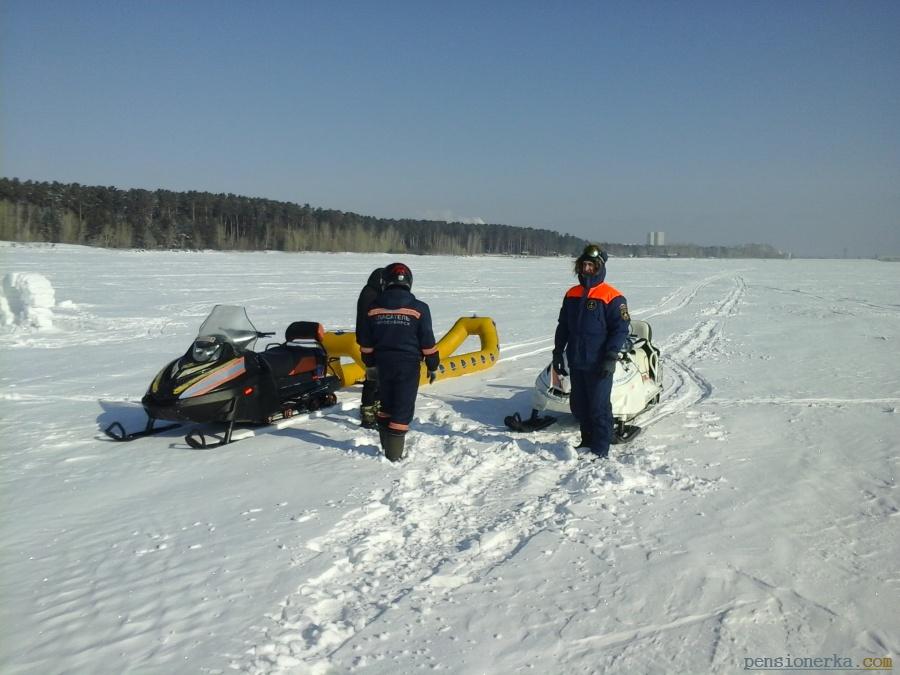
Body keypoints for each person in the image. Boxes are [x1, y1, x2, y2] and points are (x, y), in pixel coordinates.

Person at [552, 244, 630, 458]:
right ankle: (586, 441)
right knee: (579, 406)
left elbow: (620, 329)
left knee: (598, 406)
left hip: (599, 362)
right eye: (583, 265)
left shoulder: (612, 297)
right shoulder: (572, 294)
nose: (586, 269)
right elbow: (563, 326)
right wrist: (558, 352)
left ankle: (600, 448)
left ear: (599, 267)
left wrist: (611, 356)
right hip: (577, 360)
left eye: (591, 265)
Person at [356, 262, 440, 462]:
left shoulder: (373, 308)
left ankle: (386, 447)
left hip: (383, 364)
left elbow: (366, 343)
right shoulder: (420, 308)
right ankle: (393, 457)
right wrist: (433, 365)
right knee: (402, 407)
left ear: (385, 282)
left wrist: (370, 364)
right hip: (408, 366)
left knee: (386, 403)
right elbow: (427, 342)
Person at [355, 267, 385, 428]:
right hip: (371, 344)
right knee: (372, 379)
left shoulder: (369, 293)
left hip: (371, 342)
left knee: (377, 378)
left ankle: (375, 407)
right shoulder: (371, 296)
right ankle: (368, 412)